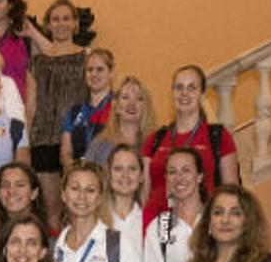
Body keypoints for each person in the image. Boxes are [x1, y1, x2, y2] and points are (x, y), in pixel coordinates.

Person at [142, 64, 241, 230]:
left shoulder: (218, 136)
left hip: (202, 226)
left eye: (192, 87)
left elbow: (233, 194)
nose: (184, 93)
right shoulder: (155, 140)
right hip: (157, 227)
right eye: (179, 87)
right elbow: (143, 194)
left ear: (202, 94)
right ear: (172, 93)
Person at [26, 0, 86, 232]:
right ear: (48, 25)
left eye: (66, 18)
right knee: (51, 206)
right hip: (43, 139)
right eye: (55, 19)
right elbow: (30, 106)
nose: (61, 24)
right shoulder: (37, 62)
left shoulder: (88, 57)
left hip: (78, 141)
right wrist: (24, 143)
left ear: (75, 24)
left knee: (78, 205)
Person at [143, 147, 206, 262]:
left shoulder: (218, 220)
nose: (179, 178)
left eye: (186, 170)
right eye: (172, 172)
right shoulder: (160, 227)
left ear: (200, 176)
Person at [0, 0, 47, 99]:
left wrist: (33, 33)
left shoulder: (23, 36)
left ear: (10, 6)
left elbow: (56, 57)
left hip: (19, 108)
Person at [85, 75, 157, 166]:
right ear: (116, 106)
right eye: (125, 97)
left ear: (145, 107)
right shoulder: (99, 144)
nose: (131, 104)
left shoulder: (155, 144)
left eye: (139, 99)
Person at [59, 48, 114, 167]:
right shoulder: (74, 111)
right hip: (81, 178)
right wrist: (76, 170)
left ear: (111, 73)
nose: (94, 74)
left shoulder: (118, 107)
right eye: (89, 70)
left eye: (100, 69)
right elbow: (65, 153)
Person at [104, 143, 145, 249]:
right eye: (118, 169)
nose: (125, 175)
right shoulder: (94, 218)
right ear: (108, 174)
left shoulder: (149, 221)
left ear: (141, 176)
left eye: (132, 169)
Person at [0, 161, 49, 228]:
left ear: (34, 193)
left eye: (20, 185)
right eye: (5, 185)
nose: (11, 191)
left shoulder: (47, 235)